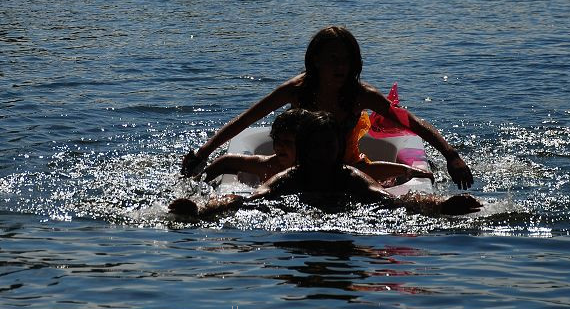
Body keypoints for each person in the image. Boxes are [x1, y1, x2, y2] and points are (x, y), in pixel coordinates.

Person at [181, 26, 474, 189]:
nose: (340, 66)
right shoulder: (296, 90)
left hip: (347, 167)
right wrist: (203, 153)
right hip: (295, 166)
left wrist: (452, 155)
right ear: (316, 61)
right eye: (332, 58)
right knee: (241, 169)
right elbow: (246, 119)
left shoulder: (361, 95)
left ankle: (423, 185)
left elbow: (410, 121)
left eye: (346, 59)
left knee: (374, 188)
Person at [170, 111, 481, 218]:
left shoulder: (348, 176)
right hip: (302, 206)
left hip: (342, 204)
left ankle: (445, 206)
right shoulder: (292, 176)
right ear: (304, 150)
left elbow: (392, 200)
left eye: (328, 146)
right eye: (314, 147)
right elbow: (255, 197)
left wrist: (441, 205)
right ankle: (198, 210)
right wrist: (204, 203)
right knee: (243, 201)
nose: (321, 153)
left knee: (392, 204)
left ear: (338, 149)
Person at [201, 108, 305, 184]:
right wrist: (196, 182)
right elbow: (226, 162)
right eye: (276, 140)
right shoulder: (269, 165)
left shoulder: (311, 170)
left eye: (287, 142)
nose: (279, 146)